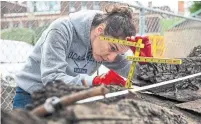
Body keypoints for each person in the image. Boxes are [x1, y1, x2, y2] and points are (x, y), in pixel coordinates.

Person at [13, 5, 152, 109]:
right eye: (112, 48)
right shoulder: (61, 30)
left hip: (68, 95)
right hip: (31, 92)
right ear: (100, 30)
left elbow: (136, 77)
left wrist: (146, 63)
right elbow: (51, 78)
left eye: (118, 53)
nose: (111, 58)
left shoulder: (104, 48)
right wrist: (95, 81)